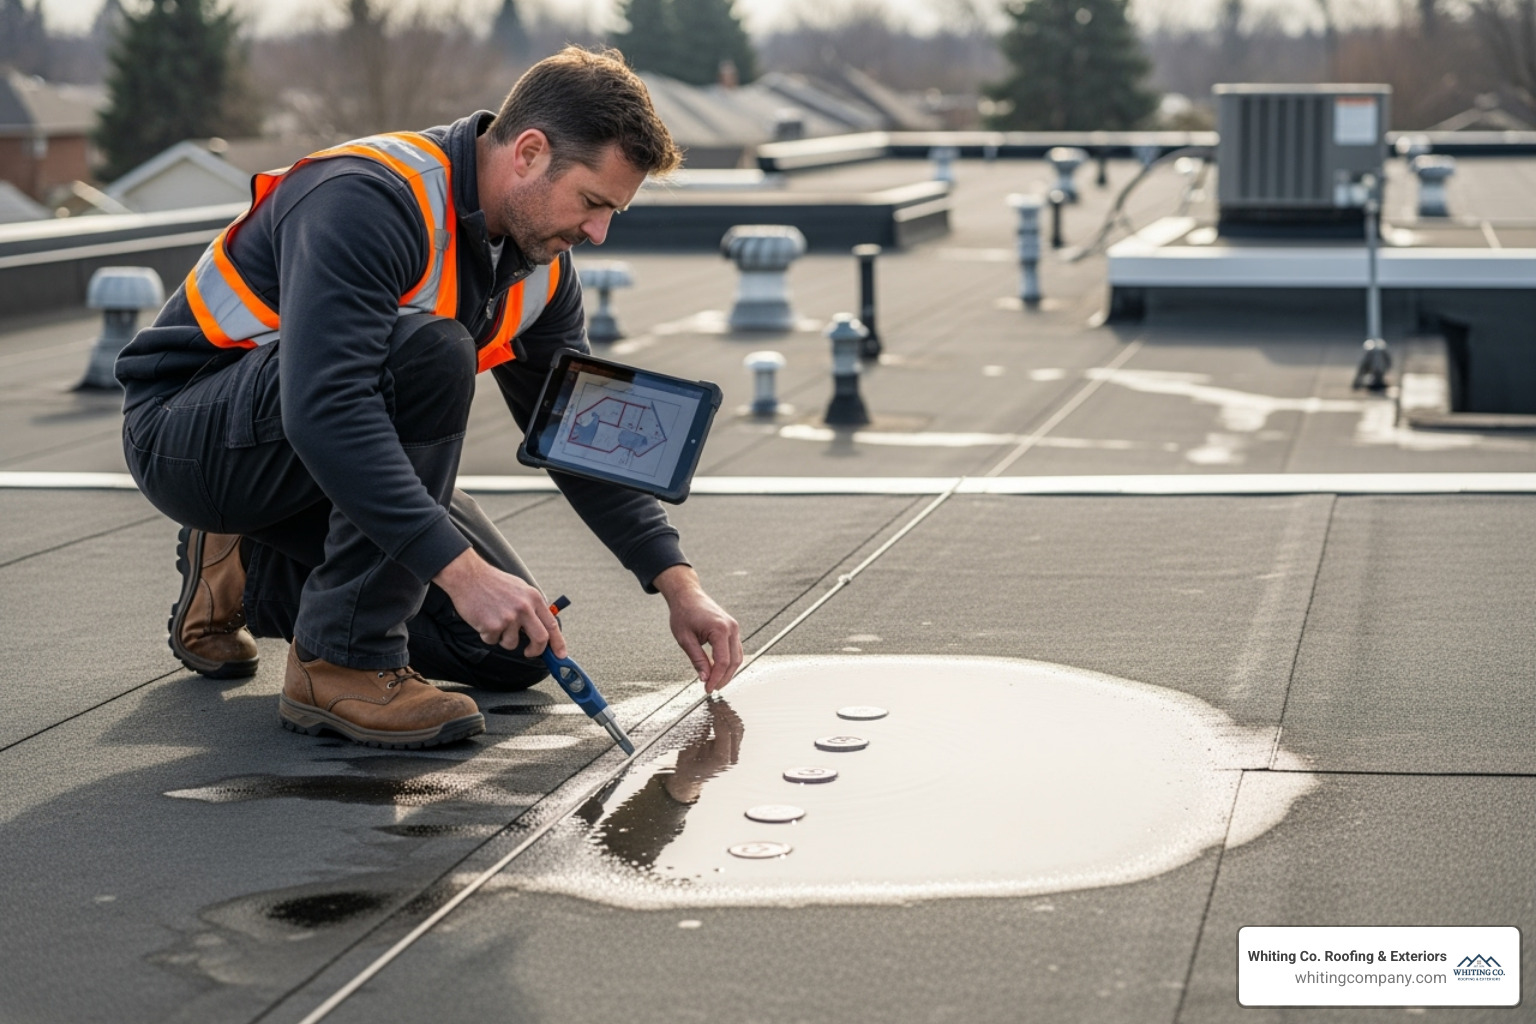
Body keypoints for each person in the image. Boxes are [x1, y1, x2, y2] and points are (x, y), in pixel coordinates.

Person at [116, 46, 742, 750]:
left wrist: (679, 586)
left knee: (511, 648)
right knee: (431, 349)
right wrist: (463, 572)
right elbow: (326, 407)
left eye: (612, 213)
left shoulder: (539, 262)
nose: (597, 232)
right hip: (193, 440)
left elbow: (575, 431)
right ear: (530, 153)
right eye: (594, 203)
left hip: (317, 451)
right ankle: (341, 659)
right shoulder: (366, 198)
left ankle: (249, 567)